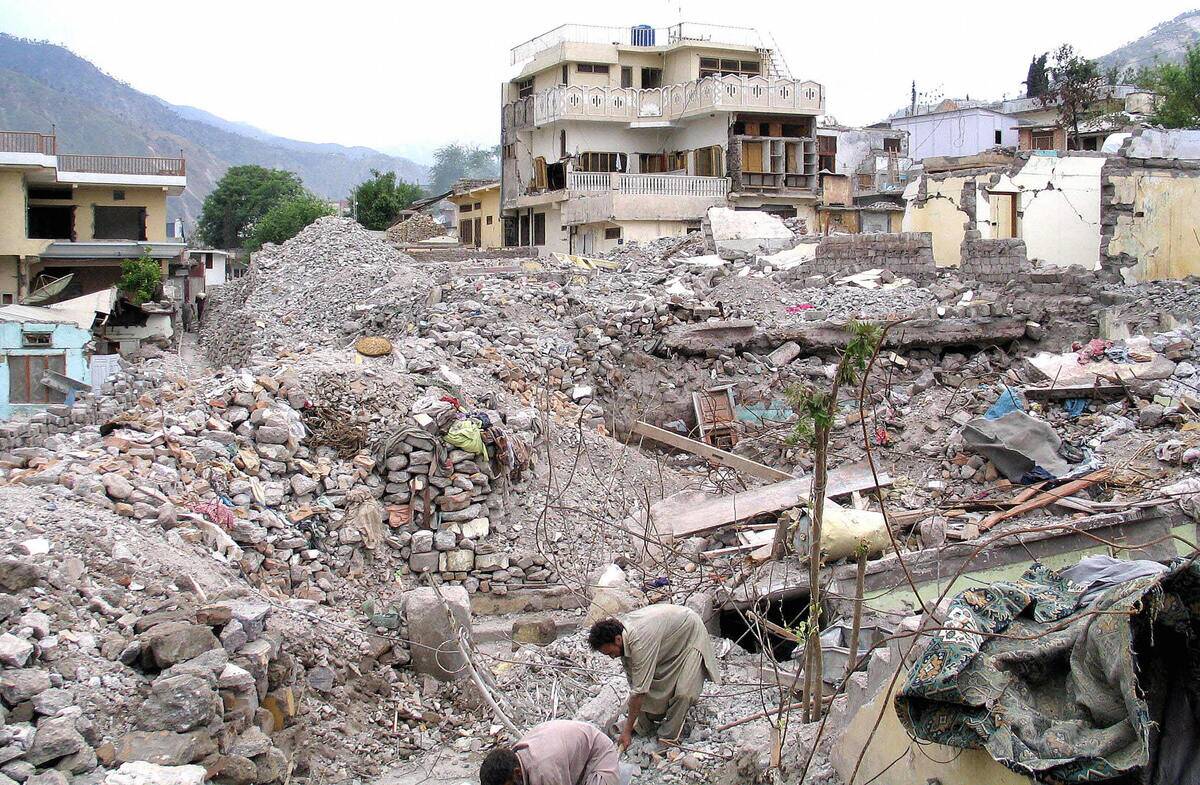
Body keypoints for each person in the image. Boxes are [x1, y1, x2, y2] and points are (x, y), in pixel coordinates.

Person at [588, 604, 720, 749]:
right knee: (653, 683)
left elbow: (639, 692)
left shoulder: (639, 642)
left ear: (618, 640)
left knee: (684, 692)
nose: (612, 657)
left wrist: (626, 732)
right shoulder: (624, 636)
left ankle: (669, 735)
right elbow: (636, 683)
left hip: (690, 632)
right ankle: (643, 723)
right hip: (669, 640)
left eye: (610, 653)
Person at [479, 719, 630, 785]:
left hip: (598, 759)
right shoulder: (517, 756)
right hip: (574, 760)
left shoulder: (545, 772)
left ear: (518, 773)